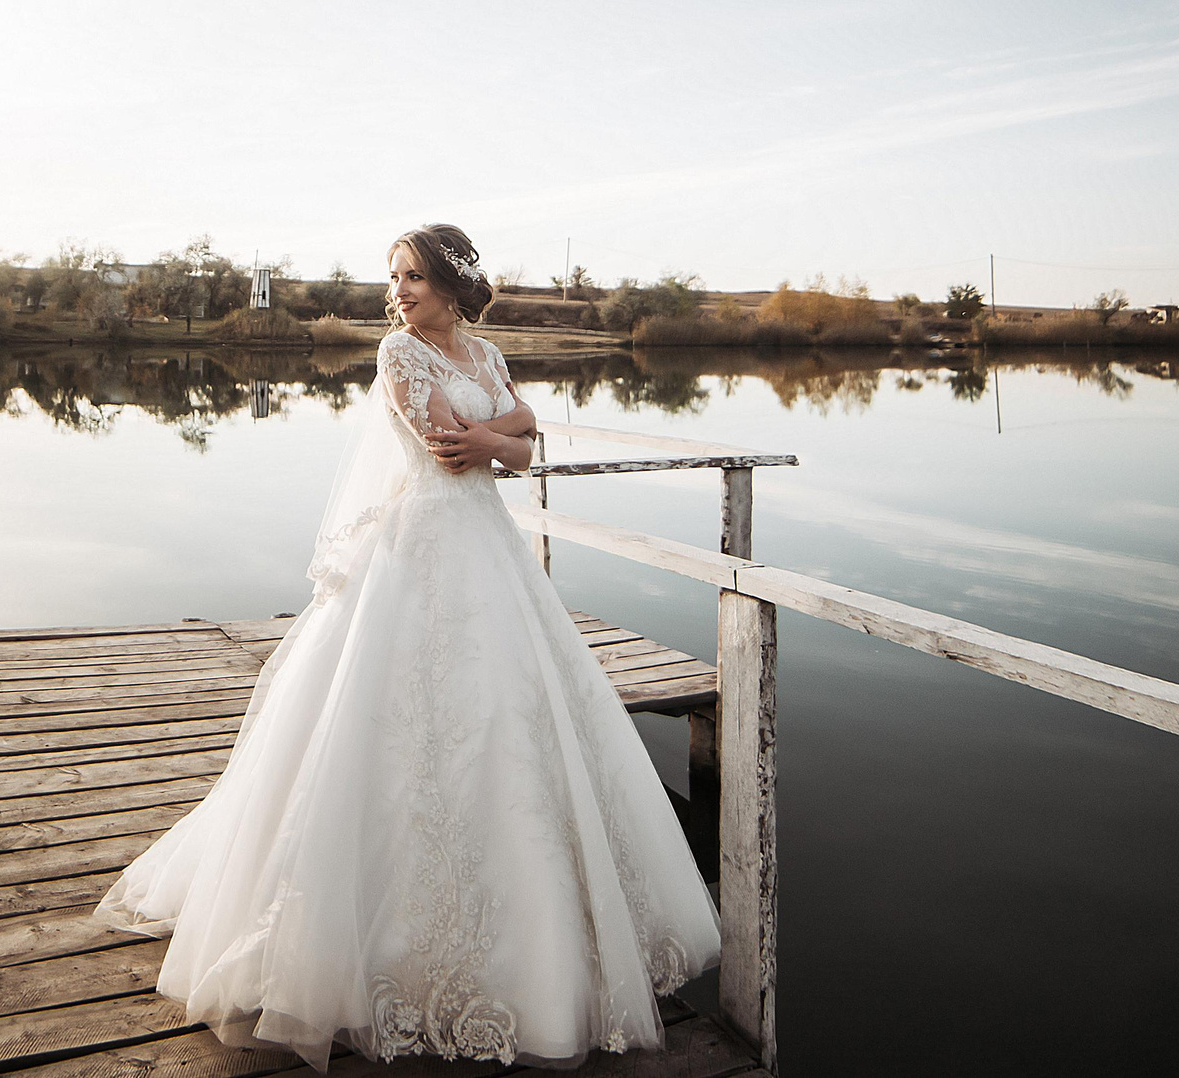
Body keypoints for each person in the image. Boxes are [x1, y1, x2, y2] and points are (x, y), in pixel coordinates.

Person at [95, 223, 720, 1069]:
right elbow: (454, 452)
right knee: (390, 725)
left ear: (455, 285)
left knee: (509, 720)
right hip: (419, 548)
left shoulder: (486, 351)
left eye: (414, 278)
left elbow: (522, 445)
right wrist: (508, 432)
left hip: (488, 554)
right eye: (394, 278)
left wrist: (508, 433)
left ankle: (542, 936)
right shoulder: (400, 355)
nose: (399, 292)